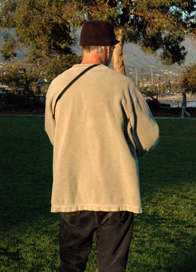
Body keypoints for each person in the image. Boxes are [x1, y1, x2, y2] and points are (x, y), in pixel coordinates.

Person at [45, 20, 160, 271]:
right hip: (116, 191)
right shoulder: (123, 85)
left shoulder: (57, 85)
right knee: (112, 267)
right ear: (108, 49)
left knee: (71, 265)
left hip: (73, 189)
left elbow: (54, 134)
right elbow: (149, 137)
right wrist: (127, 149)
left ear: (84, 47)